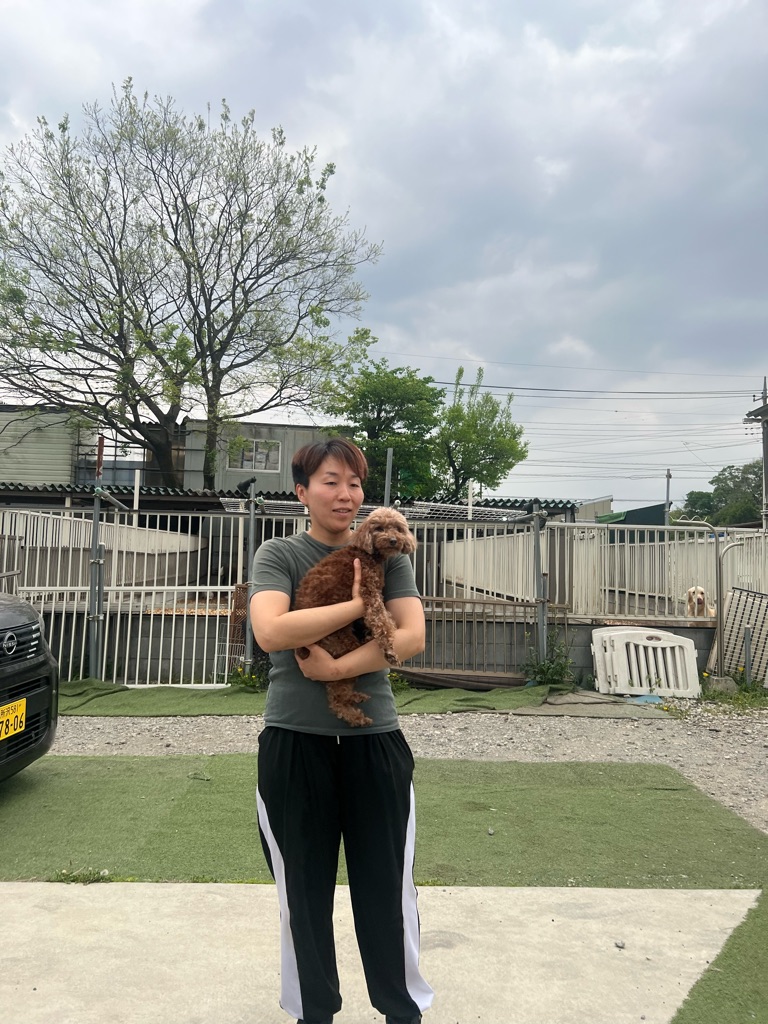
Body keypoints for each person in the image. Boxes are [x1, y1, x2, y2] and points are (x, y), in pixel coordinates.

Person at [250, 437, 434, 1024]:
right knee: (302, 894)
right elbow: (271, 631)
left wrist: (335, 669)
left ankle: (402, 1011)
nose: (345, 494)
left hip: (374, 742)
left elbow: (411, 636)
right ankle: (315, 1012)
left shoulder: (391, 557)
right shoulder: (278, 554)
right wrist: (358, 606)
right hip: (294, 743)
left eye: (354, 483)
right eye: (330, 481)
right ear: (302, 492)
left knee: (387, 889)